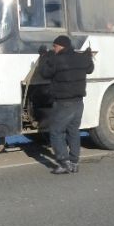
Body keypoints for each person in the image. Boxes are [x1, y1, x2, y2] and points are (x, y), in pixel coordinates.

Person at [38, 35, 94, 174]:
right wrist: (88, 55)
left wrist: (44, 56)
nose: (53, 48)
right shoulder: (81, 58)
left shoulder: (57, 60)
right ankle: (74, 162)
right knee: (73, 131)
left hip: (64, 103)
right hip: (79, 103)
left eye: (55, 46)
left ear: (61, 46)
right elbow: (90, 68)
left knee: (56, 132)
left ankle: (64, 162)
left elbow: (44, 72)